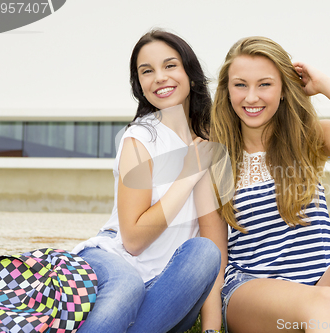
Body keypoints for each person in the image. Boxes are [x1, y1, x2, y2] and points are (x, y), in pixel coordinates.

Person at [207, 36, 330, 332]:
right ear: (227, 91)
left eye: (265, 84)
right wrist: (210, 328)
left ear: (283, 90)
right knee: (322, 302)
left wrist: (324, 84)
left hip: (321, 284)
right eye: (240, 85)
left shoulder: (306, 138)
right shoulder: (216, 156)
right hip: (251, 292)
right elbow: (216, 255)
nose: (251, 97)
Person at [72, 29, 223, 333]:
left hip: (166, 283)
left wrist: (211, 329)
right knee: (128, 285)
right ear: (139, 84)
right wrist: (188, 173)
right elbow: (134, 240)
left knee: (205, 253)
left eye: (170, 66)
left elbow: (212, 243)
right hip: (115, 263)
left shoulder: (209, 144)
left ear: (189, 72)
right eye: (147, 71)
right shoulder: (140, 138)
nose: (159, 77)